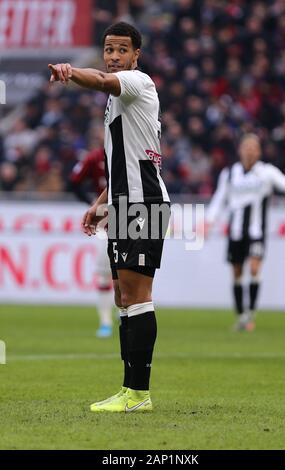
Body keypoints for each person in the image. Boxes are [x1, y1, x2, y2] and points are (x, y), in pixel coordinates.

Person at [49, 22, 170, 412]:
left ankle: (139, 394)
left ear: (136, 55)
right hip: (122, 203)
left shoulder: (137, 82)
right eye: (108, 49)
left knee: (138, 295)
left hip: (144, 203)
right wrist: (100, 203)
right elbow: (123, 161)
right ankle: (128, 389)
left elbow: (101, 80)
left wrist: (71, 72)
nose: (114, 56)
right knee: (121, 295)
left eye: (122, 50)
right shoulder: (116, 104)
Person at [206, 133, 285, 331]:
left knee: (255, 269)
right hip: (236, 232)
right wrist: (208, 221)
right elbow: (219, 199)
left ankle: (250, 314)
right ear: (240, 150)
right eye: (246, 146)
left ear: (258, 151)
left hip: (257, 232)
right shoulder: (230, 173)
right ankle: (241, 315)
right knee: (237, 273)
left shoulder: (267, 172)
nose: (249, 150)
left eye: (253, 147)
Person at [69, 148, 114, 338]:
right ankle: (106, 322)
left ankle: (124, 312)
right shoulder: (95, 157)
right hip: (105, 225)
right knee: (105, 275)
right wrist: (93, 205)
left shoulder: (132, 152)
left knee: (127, 275)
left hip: (132, 223)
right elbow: (73, 182)